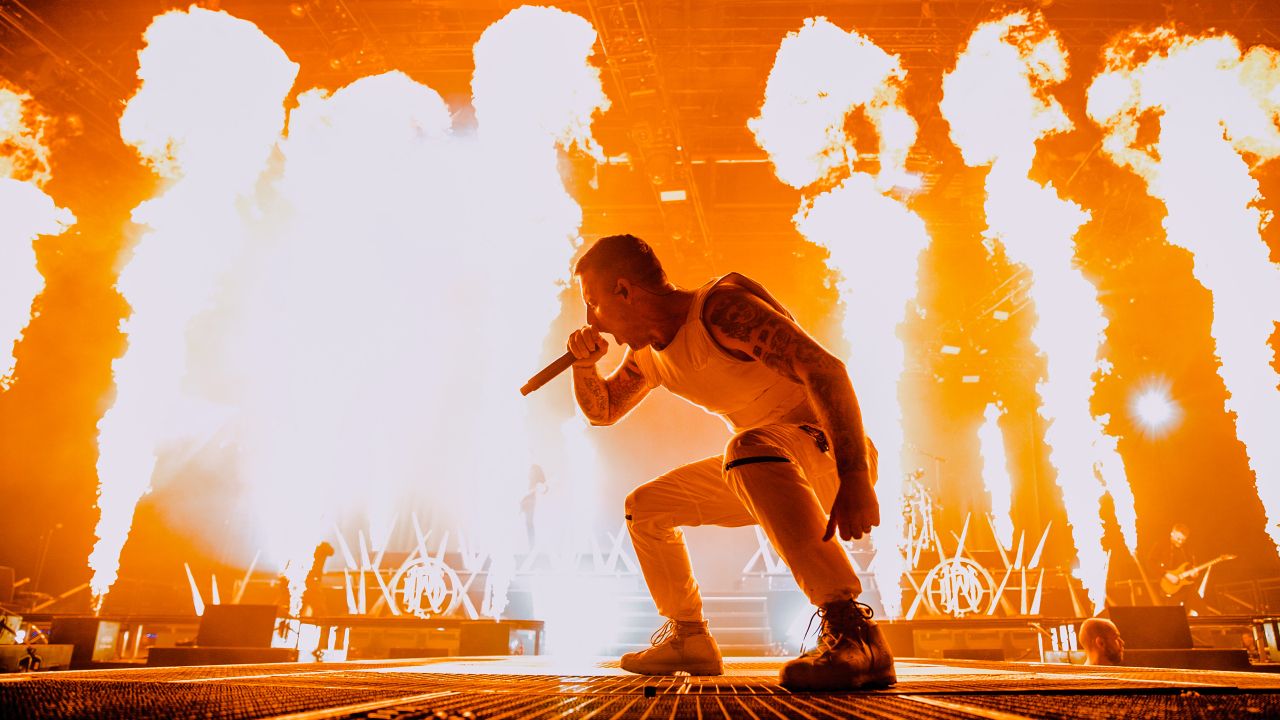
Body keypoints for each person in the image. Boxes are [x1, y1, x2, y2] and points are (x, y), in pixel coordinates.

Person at [566, 234, 893, 690]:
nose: (591, 321)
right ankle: (689, 637)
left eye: (593, 303)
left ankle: (854, 631)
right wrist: (585, 367)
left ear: (624, 290)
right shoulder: (646, 354)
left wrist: (855, 474)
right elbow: (604, 412)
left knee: (744, 448)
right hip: (760, 467)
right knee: (646, 507)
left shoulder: (720, 311)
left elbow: (825, 369)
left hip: (825, 449)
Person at [1153, 523, 1213, 615]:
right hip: (1171, 588)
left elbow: (1191, 566)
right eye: (1178, 538)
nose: (1180, 542)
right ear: (1172, 533)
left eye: (1183, 540)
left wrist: (1194, 575)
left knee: (1203, 611)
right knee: (1173, 617)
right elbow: (1150, 562)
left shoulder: (1187, 548)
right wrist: (1166, 574)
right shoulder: (1161, 545)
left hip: (1186, 586)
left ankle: (1204, 629)